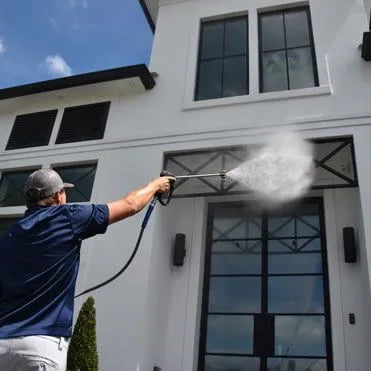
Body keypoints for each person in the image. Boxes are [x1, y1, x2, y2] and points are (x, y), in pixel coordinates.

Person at [0, 168, 173, 371]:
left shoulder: (8, 235)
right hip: (41, 346)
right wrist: (156, 185)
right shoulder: (68, 217)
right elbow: (130, 204)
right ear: (58, 196)